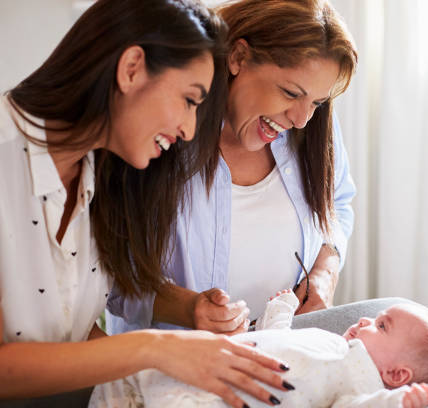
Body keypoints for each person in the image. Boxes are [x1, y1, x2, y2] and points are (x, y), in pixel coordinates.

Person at [0, 1, 293, 407]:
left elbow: (65, 335)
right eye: (190, 100)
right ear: (132, 68)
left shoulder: (103, 177)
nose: (190, 130)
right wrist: (154, 348)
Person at [107, 0, 358, 337]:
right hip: (173, 370)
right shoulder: (162, 134)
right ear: (238, 58)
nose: (300, 119)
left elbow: (338, 203)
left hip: (282, 357)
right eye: (289, 92)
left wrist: (325, 272)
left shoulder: (311, 128)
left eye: (317, 102)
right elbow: (111, 275)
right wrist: (187, 307)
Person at [91, 291, 428, 407]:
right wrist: (281, 311)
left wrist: (397, 402)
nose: (366, 321)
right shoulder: (334, 342)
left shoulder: (361, 383)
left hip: (214, 397)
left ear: (397, 375)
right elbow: (280, 340)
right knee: (124, 381)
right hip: (196, 363)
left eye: (381, 326)